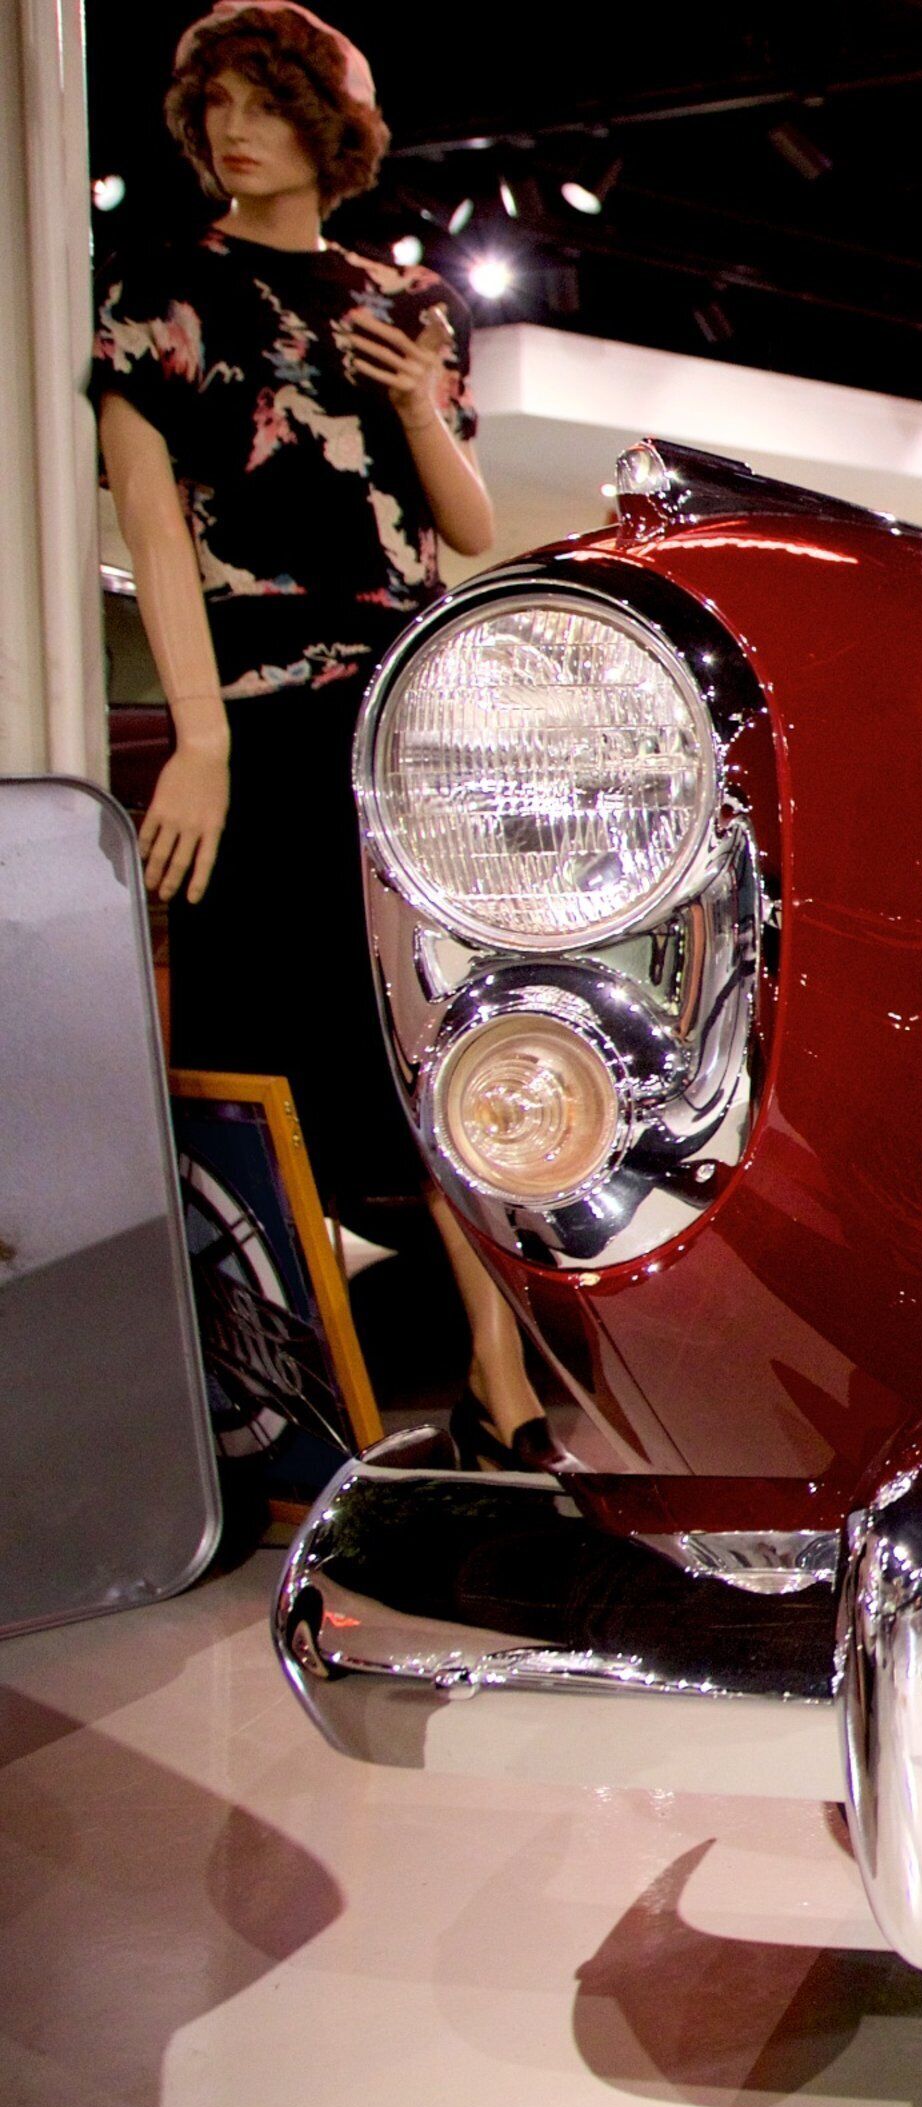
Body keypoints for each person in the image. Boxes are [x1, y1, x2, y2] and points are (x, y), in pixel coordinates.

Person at [97, 1, 547, 1463]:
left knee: (436, 1043)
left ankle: (503, 1378)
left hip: (404, 723)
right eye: (216, 103)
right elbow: (159, 535)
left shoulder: (400, 300)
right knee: (261, 1060)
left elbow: (469, 529)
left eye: (266, 104)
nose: (235, 128)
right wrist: (203, 741)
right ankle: (264, 1411)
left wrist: (423, 402)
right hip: (265, 724)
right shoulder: (159, 290)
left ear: (326, 128)